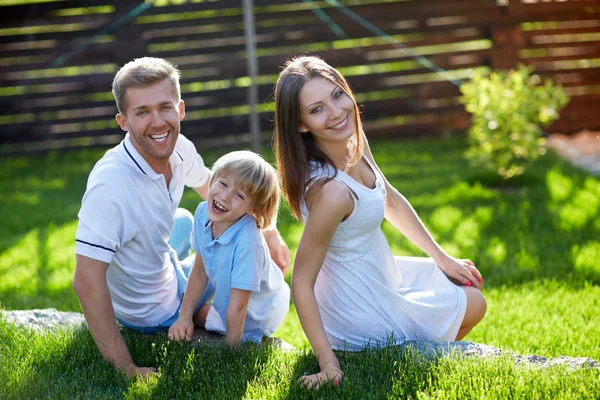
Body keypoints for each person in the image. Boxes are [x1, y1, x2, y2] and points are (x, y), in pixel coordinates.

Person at [272, 56, 487, 389]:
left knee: (465, 283)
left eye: (337, 95)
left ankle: (424, 350)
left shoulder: (352, 141)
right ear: (301, 124)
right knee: (474, 303)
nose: (336, 112)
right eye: (316, 110)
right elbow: (300, 282)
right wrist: (328, 362)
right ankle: (420, 354)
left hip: (378, 274)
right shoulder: (331, 194)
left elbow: (390, 199)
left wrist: (440, 257)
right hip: (355, 306)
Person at [73, 57, 290, 379]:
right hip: (149, 307)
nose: (158, 122)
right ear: (122, 121)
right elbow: (86, 280)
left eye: (165, 108)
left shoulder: (177, 147)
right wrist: (125, 367)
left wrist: (268, 231)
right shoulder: (111, 186)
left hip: (165, 264)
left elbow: (206, 183)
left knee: (186, 219)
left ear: (181, 109)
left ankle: (188, 282)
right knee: (240, 262)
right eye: (142, 112)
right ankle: (211, 320)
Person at [168, 151, 290, 347]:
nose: (224, 196)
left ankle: (234, 329)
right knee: (182, 311)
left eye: (239, 195)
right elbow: (199, 270)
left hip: (258, 309)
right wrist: (184, 316)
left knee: (203, 316)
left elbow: (239, 306)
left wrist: (230, 350)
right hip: (234, 296)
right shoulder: (202, 213)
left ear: (254, 209)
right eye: (223, 183)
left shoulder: (249, 243)